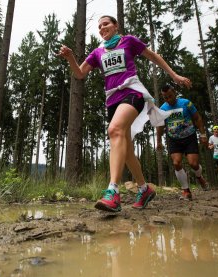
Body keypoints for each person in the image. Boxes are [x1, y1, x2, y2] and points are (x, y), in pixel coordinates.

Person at [57, 15, 192, 212]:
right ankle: (144, 188)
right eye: (100, 26)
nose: (103, 28)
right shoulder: (97, 52)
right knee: (126, 148)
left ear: (115, 26)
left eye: (106, 24)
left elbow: (154, 56)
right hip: (112, 100)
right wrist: (70, 57)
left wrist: (175, 75)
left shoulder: (128, 41)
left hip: (132, 91)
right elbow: (79, 73)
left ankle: (113, 191)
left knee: (114, 130)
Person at [156, 85, 209, 200]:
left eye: (170, 96)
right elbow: (160, 126)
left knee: (193, 164)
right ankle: (186, 190)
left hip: (189, 137)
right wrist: (159, 141)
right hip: (173, 139)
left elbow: (197, 118)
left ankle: (199, 177)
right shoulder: (162, 109)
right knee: (176, 163)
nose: (168, 99)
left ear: (175, 93)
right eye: (165, 98)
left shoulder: (186, 103)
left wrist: (203, 134)